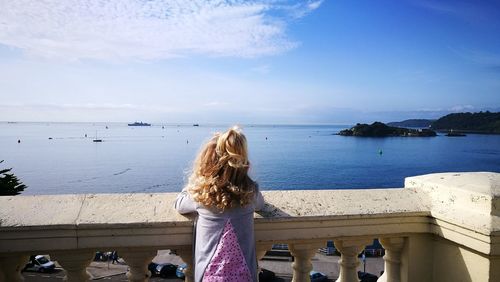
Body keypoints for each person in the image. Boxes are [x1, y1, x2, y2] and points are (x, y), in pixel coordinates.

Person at [174, 126, 264, 282]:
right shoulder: (251, 192)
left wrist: (194, 183)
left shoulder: (203, 194)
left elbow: (179, 204)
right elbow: (260, 205)